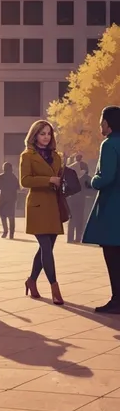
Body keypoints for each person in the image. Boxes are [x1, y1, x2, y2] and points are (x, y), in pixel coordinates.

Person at [20, 120, 65, 305]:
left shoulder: (57, 156)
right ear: (34, 135)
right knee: (46, 248)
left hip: (53, 206)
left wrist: (62, 181)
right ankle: (55, 288)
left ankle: (31, 280)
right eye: (42, 133)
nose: (46, 137)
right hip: (37, 207)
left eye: (48, 133)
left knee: (45, 249)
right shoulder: (27, 155)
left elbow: (59, 178)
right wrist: (48, 180)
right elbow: (25, 181)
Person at [83, 106, 120, 314]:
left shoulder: (109, 145)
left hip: (113, 206)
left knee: (113, 256)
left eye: (101, 120)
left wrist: (92, 180)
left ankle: (117, 300)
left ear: (108, 123)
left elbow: (106, 177)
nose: (100, 124)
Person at [66, 154, 88, 244]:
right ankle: (78, 237)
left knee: (71, 218)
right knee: (80, 218)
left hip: (71, 198)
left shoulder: (71, 171)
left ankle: (70, 238)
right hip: (81, 198)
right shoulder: (85, 176)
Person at [0, 162, 20, 239]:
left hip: (3, 198)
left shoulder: (1, 176)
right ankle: (11, 234)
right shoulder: (14, 177)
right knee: (11, 216)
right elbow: (18, 187)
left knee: (3, 215)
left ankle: (5, 231)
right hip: (12, 198)